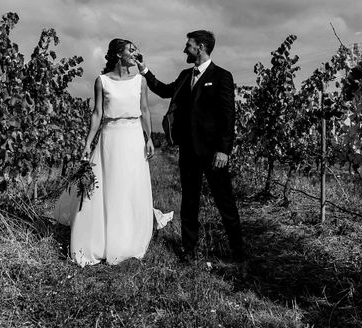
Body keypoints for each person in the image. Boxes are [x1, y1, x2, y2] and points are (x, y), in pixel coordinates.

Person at [136, 30, 245, 263]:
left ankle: (239, 252)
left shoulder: (222, 76)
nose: (185, 49)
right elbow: (165, 90)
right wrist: (145, 70)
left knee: (224, 201)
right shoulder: (186, 75)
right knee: (189, 202)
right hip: (188, 151)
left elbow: (229, 116)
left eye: (189, 45)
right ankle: (189, 251)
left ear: (201, 47)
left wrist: (224, 150)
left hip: (214, 153)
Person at [53, 38, 156, 266]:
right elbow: (97, 114)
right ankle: (99, 240)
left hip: (132, 136)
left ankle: (128, 237)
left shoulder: (140, 81)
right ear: (119, 54)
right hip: (110, 136)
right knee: (105, 187)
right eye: (131, 50)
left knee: (129, 186)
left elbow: (145, 111)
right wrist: (88, 143)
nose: (136, 54)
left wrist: (148, 138)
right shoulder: (102, 81)